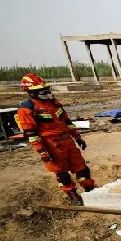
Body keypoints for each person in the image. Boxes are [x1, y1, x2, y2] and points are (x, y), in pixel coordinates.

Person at [15, 73, 95, 205]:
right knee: (62, 173)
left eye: (46, 89)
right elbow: (31, 133)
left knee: (82, 168)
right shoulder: (27, 108)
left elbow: (67, 121)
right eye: (41, 90)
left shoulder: (53, 103)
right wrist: (42, 152)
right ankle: (72, 195)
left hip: (67, 141)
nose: (46, 92)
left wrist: (77, 137)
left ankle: (89, 189)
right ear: (31, 92)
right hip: (52, 145)